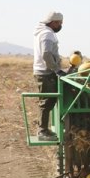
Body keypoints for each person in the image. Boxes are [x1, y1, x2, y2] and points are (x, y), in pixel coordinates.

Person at [33, 11, 65, 140]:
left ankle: (44, 129)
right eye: (60, 23)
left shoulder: (44, 32)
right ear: (53, 22)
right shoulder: (47, 34)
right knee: (47, 102)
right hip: (46, 73)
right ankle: (42, 131)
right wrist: (57, 70)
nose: (61, 26)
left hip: (46, 72)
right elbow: (46, 54)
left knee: (50, 101)